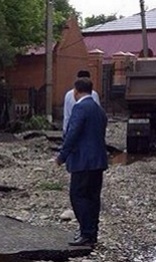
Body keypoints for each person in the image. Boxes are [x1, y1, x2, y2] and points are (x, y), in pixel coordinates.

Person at [56, 78, 108, 247]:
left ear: (76, 91)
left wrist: (62, 156)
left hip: (82, 161)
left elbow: (73, 133)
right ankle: (92, 233)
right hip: (98, 161)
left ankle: (86, 232)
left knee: (77, 196)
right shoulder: (99, 110)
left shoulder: (80, 108)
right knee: (93, 198)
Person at [62, 70, 100, 135]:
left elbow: (67, 115)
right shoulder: (94, 95)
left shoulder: (69, 94)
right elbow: (97, 114)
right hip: (89, 128)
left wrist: (65, 131)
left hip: (73, 127)